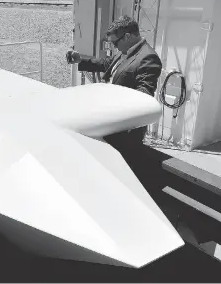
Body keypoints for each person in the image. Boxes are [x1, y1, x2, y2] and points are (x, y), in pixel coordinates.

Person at [66, 15, 163, 180]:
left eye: (115, 43)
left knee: (121, 170)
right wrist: (80, 59)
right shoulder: (126, 51)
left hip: (123, 130)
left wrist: (112, 99)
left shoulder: (148, 58)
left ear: (127, 36)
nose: (114, 47)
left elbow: (144, 95)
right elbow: (106, 64)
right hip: (108, 120)